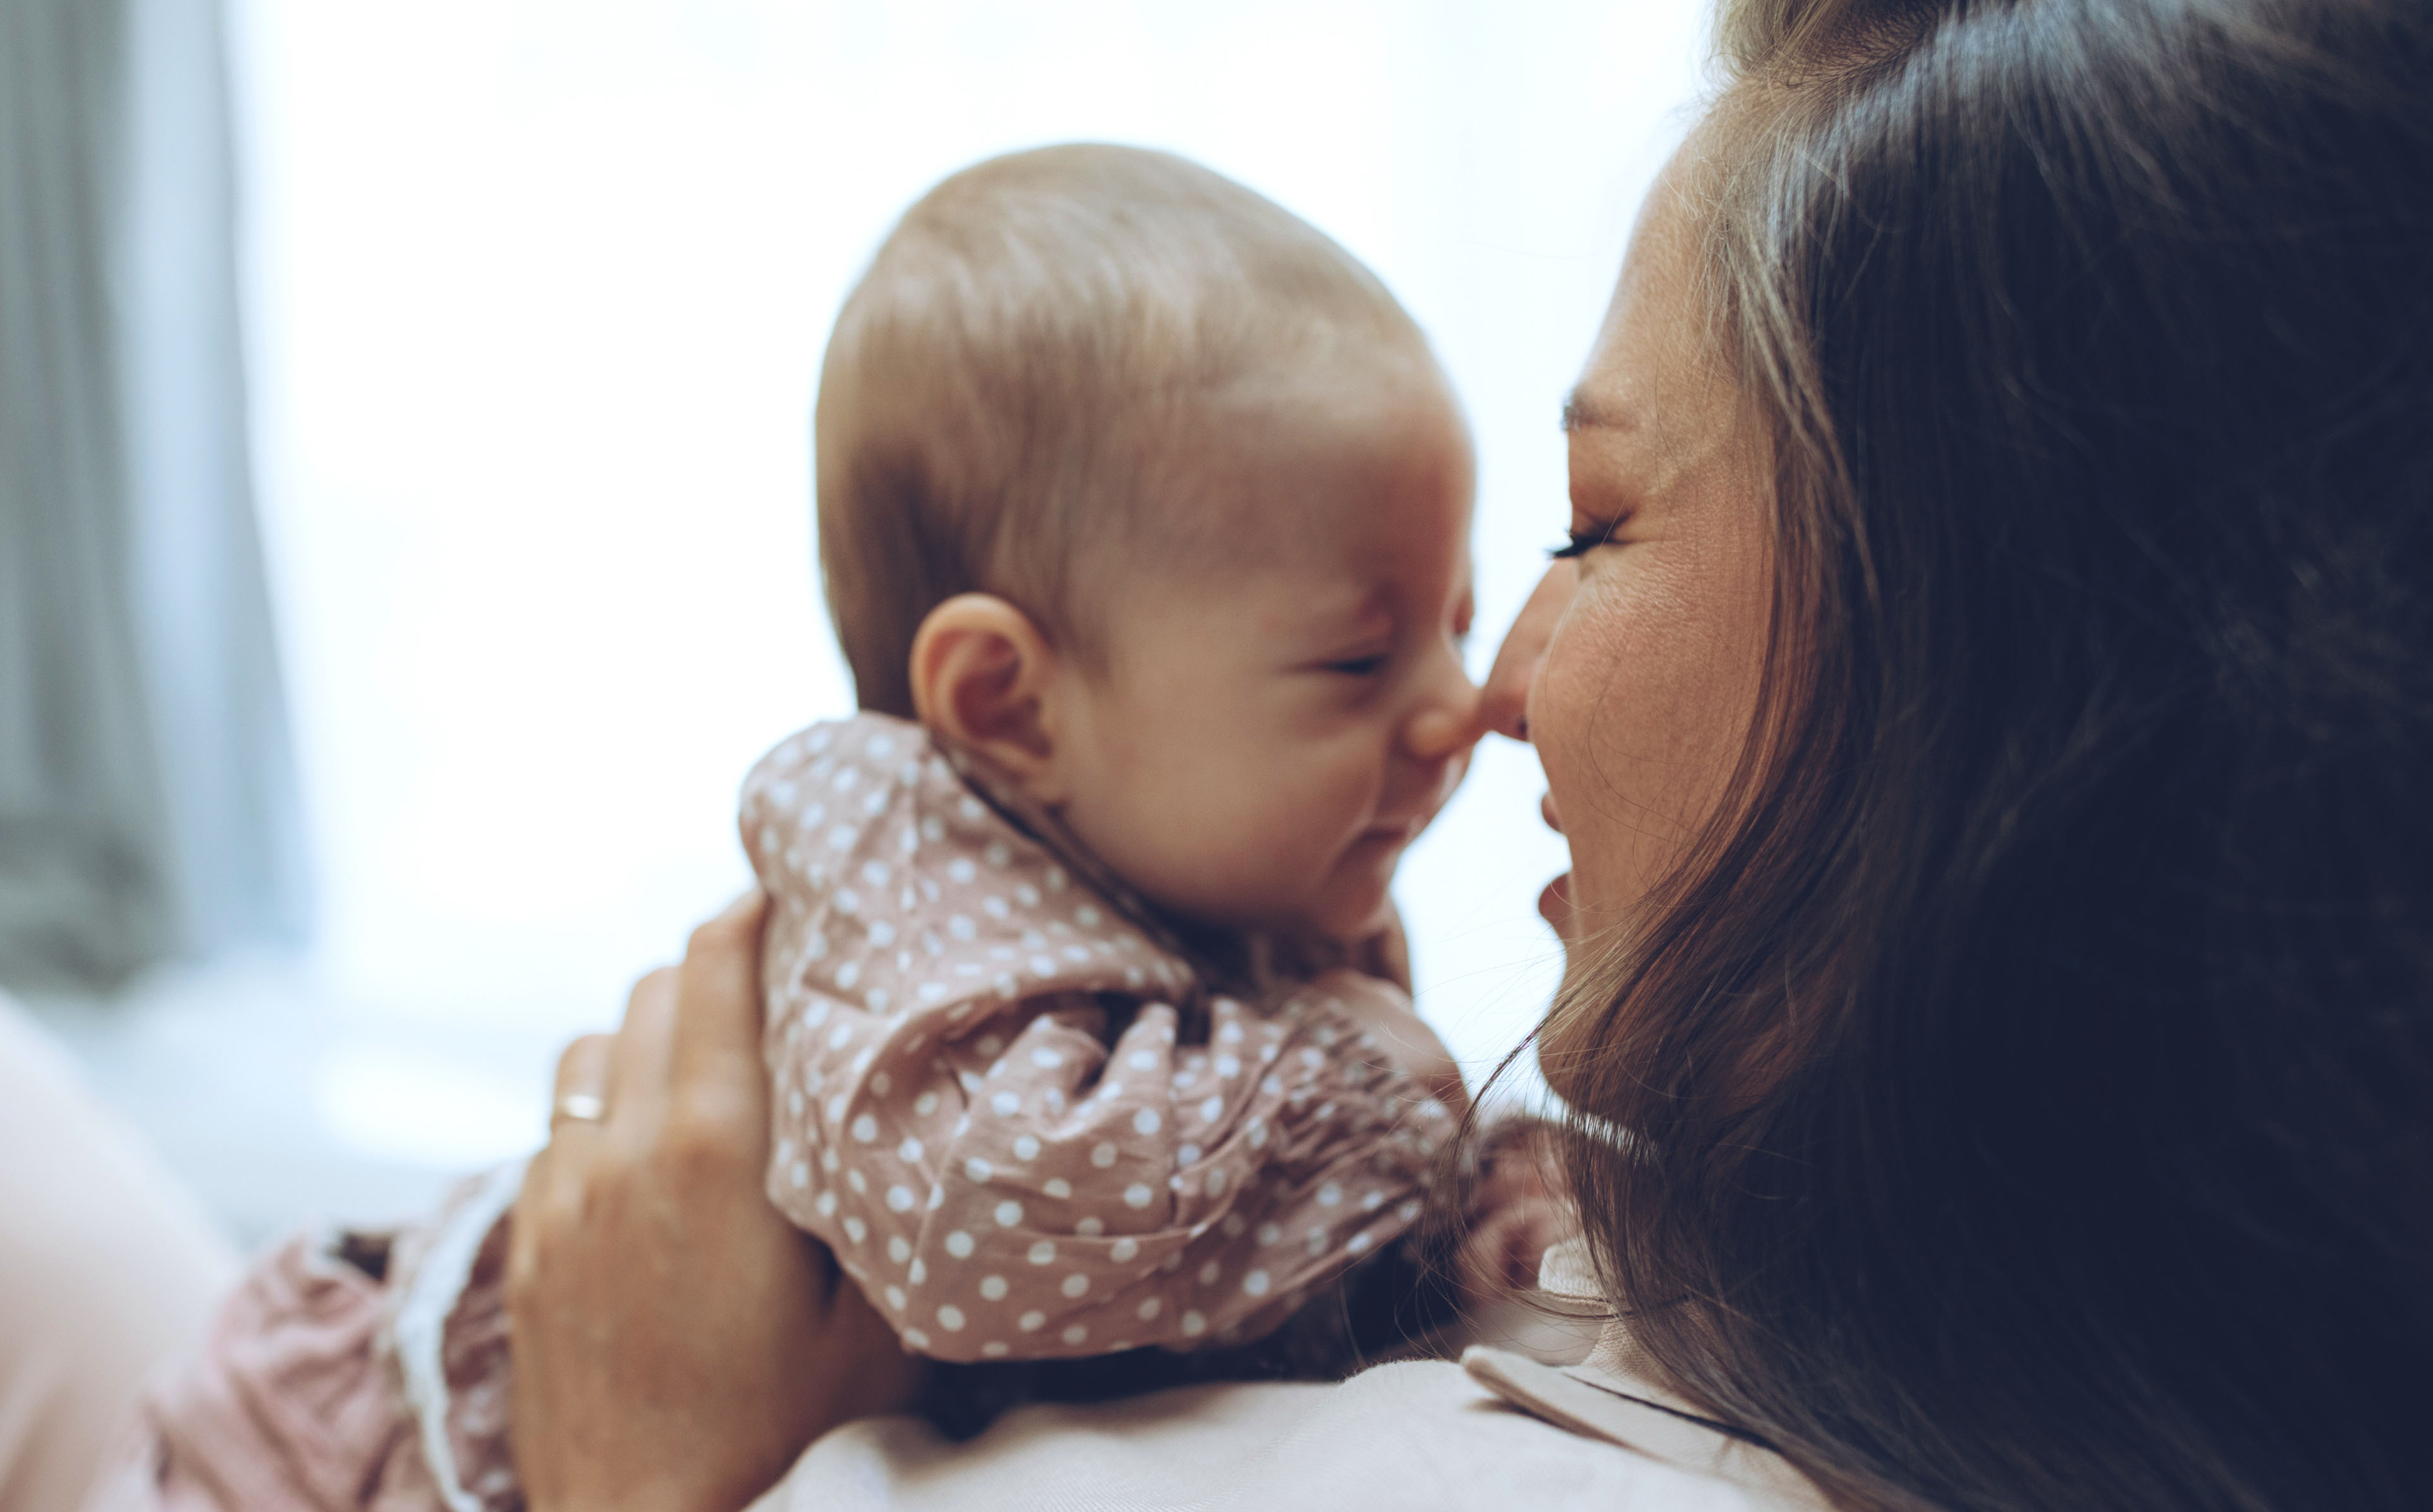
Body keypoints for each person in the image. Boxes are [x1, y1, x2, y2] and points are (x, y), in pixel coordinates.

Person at [0, 0, 2433, 1508]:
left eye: (1585, 537)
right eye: (1406, 632)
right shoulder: (2058, 1271)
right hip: (369, 1399)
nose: (1491, 697)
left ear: (2012, 705)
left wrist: (646, 1459)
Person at [128, 144, 1578, 1512]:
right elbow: (990, 1231)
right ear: (1010, 703)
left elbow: (1256, 1254)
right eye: (1356, 660)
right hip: (323, 1461)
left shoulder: (1256, 885)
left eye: (1452, 624)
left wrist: (1488, 1200)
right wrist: (1390, 1102)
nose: (1460, 707)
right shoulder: (896, 850)